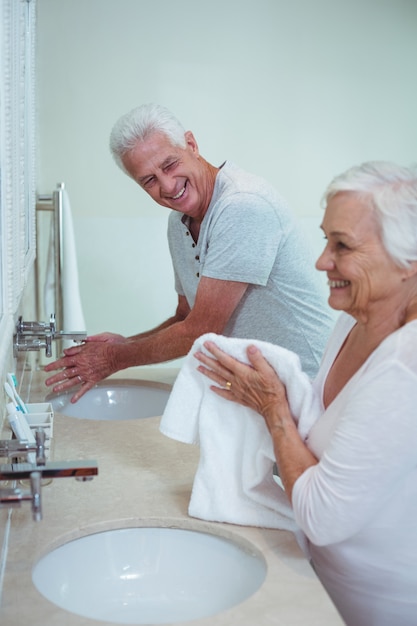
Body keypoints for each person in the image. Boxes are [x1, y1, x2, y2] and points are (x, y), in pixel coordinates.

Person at [194, 160, 417, 626]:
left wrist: (274, 408)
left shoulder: (404, 367)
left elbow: (321, 514)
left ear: (407, 261)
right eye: (325, 239)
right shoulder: (351, 321)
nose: (321, 261)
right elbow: (327, 435)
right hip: (322, 585)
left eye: (343, 245)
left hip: (379, 605)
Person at [45, 103, 333, 402]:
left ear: (192, 145)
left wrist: (116, 358)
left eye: (169, 165)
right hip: (260, 390)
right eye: (149, 180)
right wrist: (123, 345)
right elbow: (186, 317)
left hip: (308, 386)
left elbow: (200, 330)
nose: (168, 186)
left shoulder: (242, 205)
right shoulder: (179, 222)